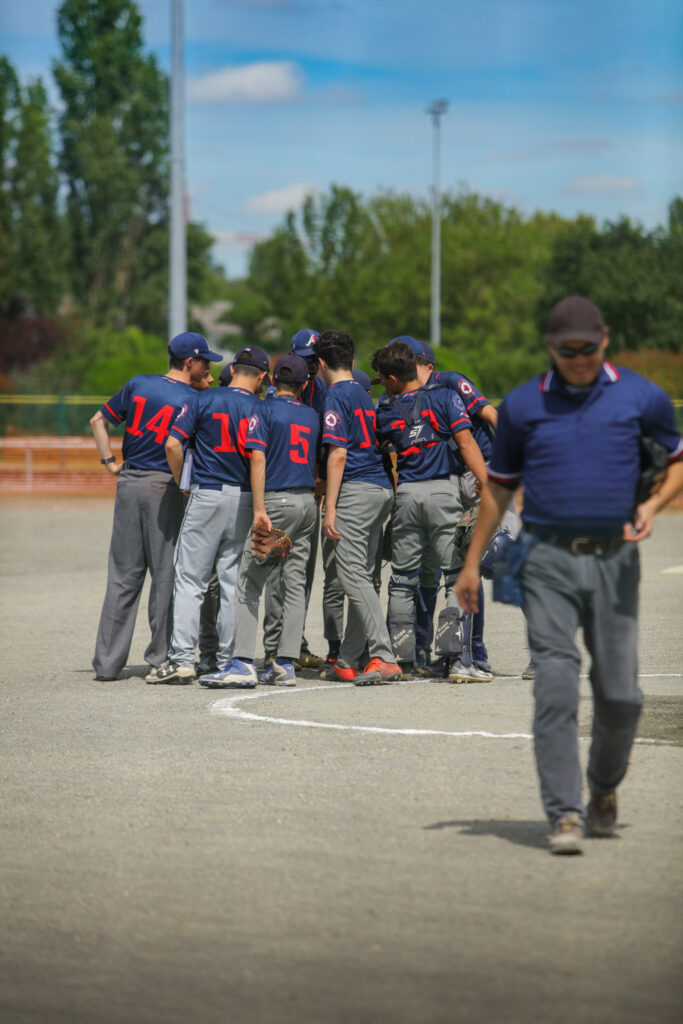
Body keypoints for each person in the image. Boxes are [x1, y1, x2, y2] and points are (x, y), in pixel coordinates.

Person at [455, 295, 683, 854]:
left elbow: (677, 460)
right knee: (555, 685)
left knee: (622, 695)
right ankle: (564, 814)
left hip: (614, 560)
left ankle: (603, 788)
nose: (578, 359)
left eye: (586, 348)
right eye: (566, 350)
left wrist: (652, 508)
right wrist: (470, 562)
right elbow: (499, 486)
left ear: (604, 340)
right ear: (550, 349)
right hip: (547, 558)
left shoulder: (641, 395)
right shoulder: (524, 406)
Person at [90, 331, 222, 682]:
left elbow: (98, 420)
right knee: (166, 575)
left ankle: (107, 663)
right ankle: (159, 657)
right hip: (164, 485)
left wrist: (109, 462)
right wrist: (184, 485)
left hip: (129, 482)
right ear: (190, 362)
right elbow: (174, 446)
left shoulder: (139, 384)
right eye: (205, 361)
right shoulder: (194, 398)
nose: (208, 368)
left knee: (123, 576)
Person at [150, 347, 270, 684]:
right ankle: (228, 659)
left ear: (232, 369)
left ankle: (183, 659)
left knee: (191, 580)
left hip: (207, 493)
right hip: (245, 498)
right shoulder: (257, 407)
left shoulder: (202, 399)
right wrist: (260, 507)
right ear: (261, 377)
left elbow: (173, 445)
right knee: (233, 582)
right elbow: (258, 457)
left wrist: (181, 482)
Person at [203, 354, 320, 688]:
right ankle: (285, 663)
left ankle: (241, 662)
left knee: (249, 583)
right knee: (294, 585)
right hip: (306, 502)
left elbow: (257, 457)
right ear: (305, 384)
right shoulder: (311, 415)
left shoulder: (263, 410)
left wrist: (258, 509)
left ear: (271, 381)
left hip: (276, 501)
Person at [372, 342, 489, 677]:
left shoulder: (387, 408)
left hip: (406, 494)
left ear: (394, 379)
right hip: (443, 493)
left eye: (383, 378)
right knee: (454, 577)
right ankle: (454, 659)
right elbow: (466, 443)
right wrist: (487, 483)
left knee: (403, 579)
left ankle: (404, 659)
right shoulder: (444, 397)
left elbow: (381, 447)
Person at [315, 330, 402, 684]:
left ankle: (383, 655)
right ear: (351, 362)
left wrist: (330, 507)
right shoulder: (364, 395)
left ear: (321, 364)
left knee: (349, 573)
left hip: (356, 489)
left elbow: (337, 454)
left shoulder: (334, 395)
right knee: (361, 575)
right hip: (381, 488)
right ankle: (349, 658)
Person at [262, 328, 326, 669]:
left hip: (307, 491)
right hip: (281, 490)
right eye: (306, 358)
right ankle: (275, 647)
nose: (311, 365)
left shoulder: (322, 389)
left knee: (302, 575)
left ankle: (294, 643)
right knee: (276, 576)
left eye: (315, 359)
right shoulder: (277, 393)